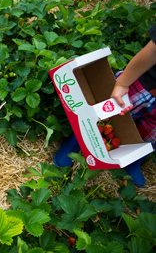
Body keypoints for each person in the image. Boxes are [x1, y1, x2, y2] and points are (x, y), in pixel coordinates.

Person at [54, 24, 156, 186]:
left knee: (150, 136)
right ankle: (74, 145)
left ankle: (133, 160)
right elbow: (152, 51)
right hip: (145, 83)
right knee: (106, 116)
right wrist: (123, 83)